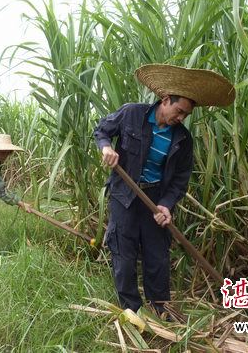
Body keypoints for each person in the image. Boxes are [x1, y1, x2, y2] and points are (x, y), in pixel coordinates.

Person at [94, 64, 235, 314]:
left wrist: (166, 205)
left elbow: (181, 178)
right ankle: (132, 311)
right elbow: (102, 130)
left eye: (186, 115)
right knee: (124, 256)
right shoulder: (131, 114)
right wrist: (106, 147)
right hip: (124, 195)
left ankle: (161, 310)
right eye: (179, 111)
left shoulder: (183, 139)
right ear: (166, 100)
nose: (180, 118)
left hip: (155, 200)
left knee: (157, 257)